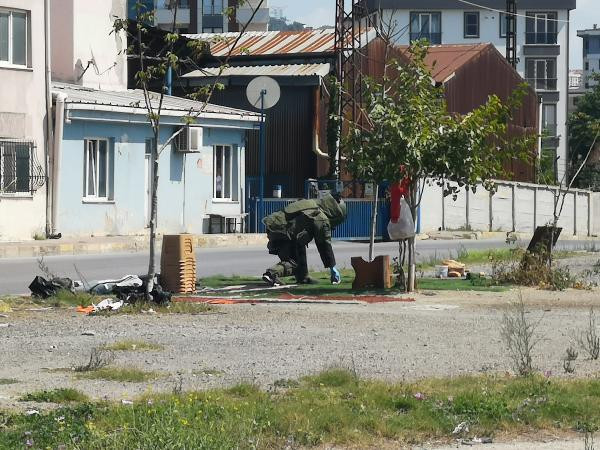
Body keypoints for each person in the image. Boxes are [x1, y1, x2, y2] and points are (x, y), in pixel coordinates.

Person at [262, 192, 347, 286]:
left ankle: (303, 277)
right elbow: (324, 244)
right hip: (284, 232)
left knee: (300, 246)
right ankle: (271, 274)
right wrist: (332, 268)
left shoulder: (311, 203)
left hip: (275, 227)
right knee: (294, 263)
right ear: (335, 214)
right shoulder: (321, 217)